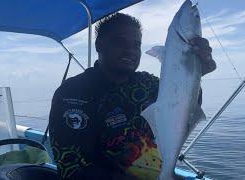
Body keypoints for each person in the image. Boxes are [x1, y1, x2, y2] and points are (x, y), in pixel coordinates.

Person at [49, 13, 216, 180]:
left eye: (136, 45)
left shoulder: (149, 84)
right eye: (120, 42)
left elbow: (183, 110)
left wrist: (193, 74)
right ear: (99, 45)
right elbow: (71, 167)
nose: (130, 50)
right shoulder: (72, 93)